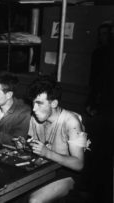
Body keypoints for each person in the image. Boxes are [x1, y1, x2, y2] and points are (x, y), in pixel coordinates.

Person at [27, 75, 90, 203]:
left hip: (67, 173)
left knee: (35, 201)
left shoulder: (71, 122)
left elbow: (79, 165)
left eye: (39, 104)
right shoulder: (35, 118)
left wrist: (47, 152)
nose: (34, 109)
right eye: (33, 103)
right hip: (45, 168)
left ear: (54, 103)